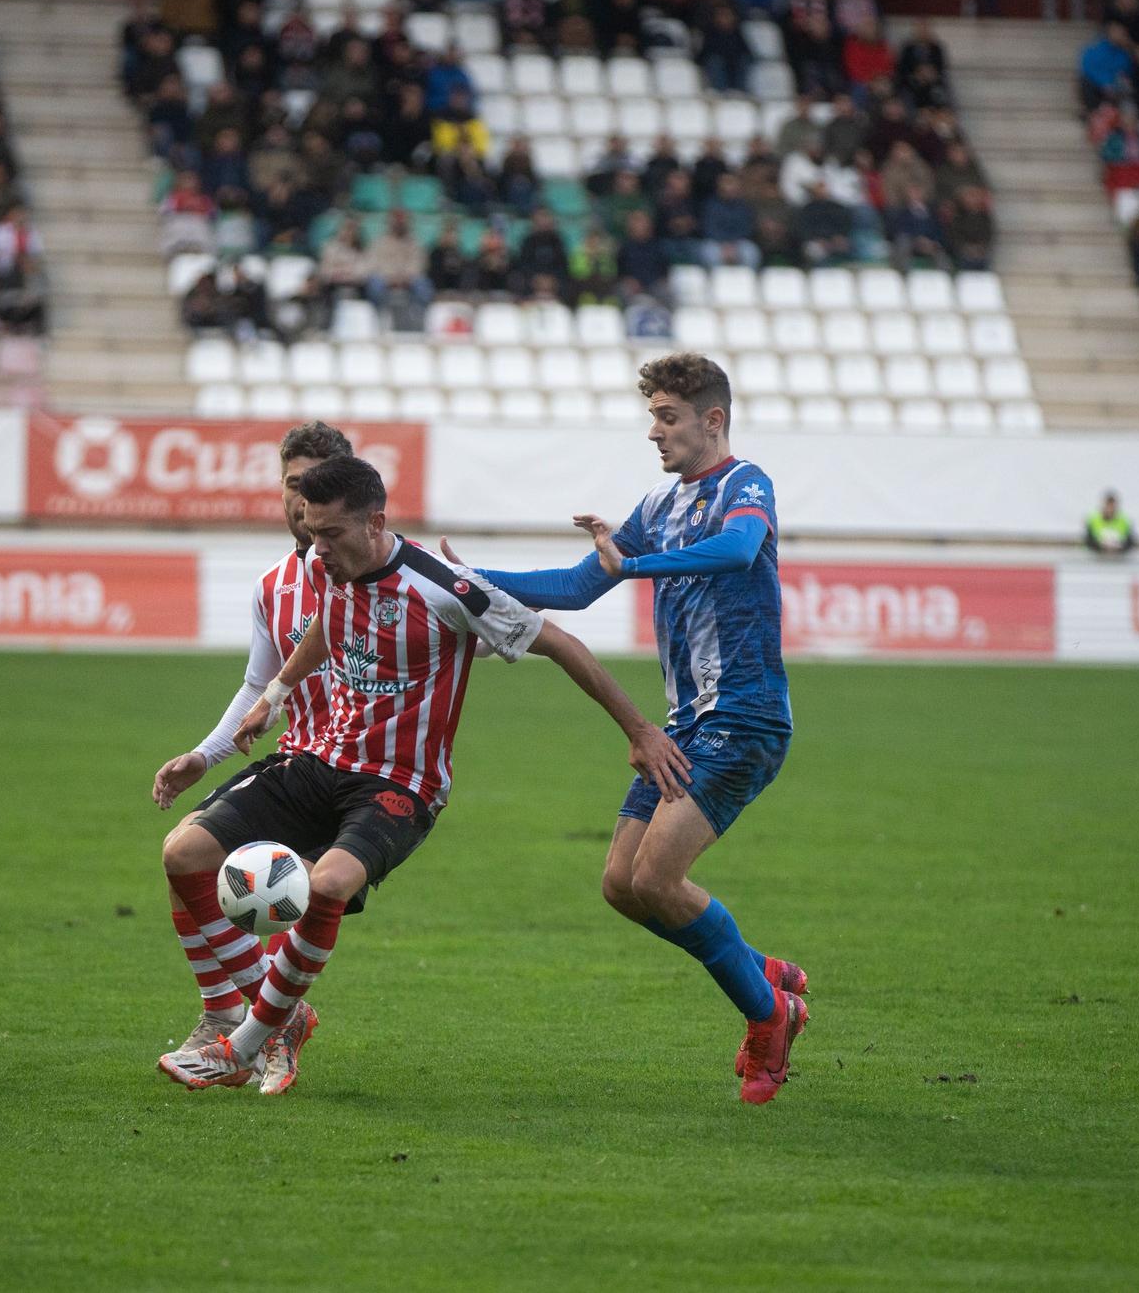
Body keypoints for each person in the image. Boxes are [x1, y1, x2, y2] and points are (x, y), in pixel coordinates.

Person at [155, 454, 690, 1092]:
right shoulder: (333, 567)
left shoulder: (446, 588)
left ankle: (244, 1044)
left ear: (376, 522)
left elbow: (562, 643)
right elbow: (327, 626)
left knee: (329, 881)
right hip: (320, 757)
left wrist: (639, 731)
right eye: (310, 530)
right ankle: (282, 1019)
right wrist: (274, 695)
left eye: (329, 534)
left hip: (401, 785)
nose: (315, 548)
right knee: (185, 852)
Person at [444, 353, 809, 1106]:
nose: (654, 432)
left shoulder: (746, 486)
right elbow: (579, 586)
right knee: (620, 885)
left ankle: (769, 1014)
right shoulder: (660, 506)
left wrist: (637, 566)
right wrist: (473, 580)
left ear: (713, 419)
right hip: (687, 721)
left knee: (656, 878)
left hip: (744, 717)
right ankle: (764, 973)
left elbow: (740, 550)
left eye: (667, 417)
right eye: (652, 416)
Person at [149, 422, 354, 1094]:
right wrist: (204, 756)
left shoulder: (381, 575)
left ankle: (253, 1019)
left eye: (318, 488)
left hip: (359, 775)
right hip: (297, 761)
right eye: (294, 486)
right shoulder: (274, 584)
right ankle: (233, 1016)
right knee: (185, 856)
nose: (303, 502)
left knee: (203, 865)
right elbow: (257, 683)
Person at [1085, 491, 1134, 556]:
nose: (1110, 509)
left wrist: (1119, 549)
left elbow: (1130, 542)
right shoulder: (1093, 520)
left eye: (1112, 506)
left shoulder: (1124, 521)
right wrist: (1101, 548)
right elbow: (1088, 541)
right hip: (1098, 556)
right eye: (1108, 506)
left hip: (1118, 556)